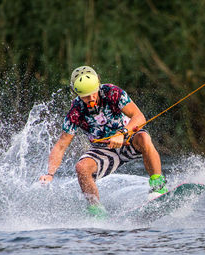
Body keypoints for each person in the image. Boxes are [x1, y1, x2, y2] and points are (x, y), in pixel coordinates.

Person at [39, 66, 167, 219]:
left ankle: (158, 187)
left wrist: (122, 133)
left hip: (128, 138)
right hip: (103, 150)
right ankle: (97, 212)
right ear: (77, 93)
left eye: (93, 93)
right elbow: (61, 145)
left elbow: (139, 117)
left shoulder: (112, 93)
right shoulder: (76, 111)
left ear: (98, 85)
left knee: (144, 138)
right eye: (85, 96)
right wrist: (50, 173)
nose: (91, 99)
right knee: (81, 167)